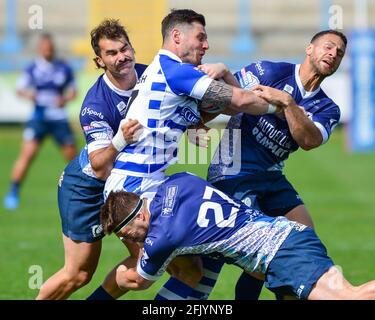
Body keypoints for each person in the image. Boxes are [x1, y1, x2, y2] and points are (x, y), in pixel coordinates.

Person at [89, 8, 289, 300]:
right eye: (201, 37)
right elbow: (242, 101)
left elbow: (228, 107)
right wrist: (283, 106)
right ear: (177, 36)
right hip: (133, 187)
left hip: (146, 182)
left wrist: (223, 74)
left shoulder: (165, 71)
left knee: (190, 271)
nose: (205, 45)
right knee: (155, 274)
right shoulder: (175, 72)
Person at [205, 29, 347, 299]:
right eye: (328, 47)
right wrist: (221, 75)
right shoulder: (269, 70)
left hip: (271, 176)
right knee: (255, 255)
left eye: (339, 53)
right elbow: (231, 98)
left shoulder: (328, 108)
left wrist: (287, 102)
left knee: (304, 242)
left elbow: (308, 140)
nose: (333, 54)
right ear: (309, 49)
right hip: (232, 172)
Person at [101, 172, 375, 300]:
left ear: (140, 216)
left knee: (349, 298)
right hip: (279, 247)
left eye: (129, 234)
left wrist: (115, 284)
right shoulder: (177, 181)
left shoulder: (162, 238)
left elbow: (139, 281)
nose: (134, 241)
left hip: (282, 251)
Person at [36, 19, 147, 300]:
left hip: (125, 184)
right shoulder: (95, 104)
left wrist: (198, 126)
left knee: (147, 260)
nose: (122, 57)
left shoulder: (152, 78)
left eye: (124, 48)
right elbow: (99, 164)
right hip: (86, 188)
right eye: (112, 53)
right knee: (78, 274)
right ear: (100, 61)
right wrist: (120, 139)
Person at [3, 34, 77, 210]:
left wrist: (65, 100)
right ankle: (13, 191)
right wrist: (30, 95)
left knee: (74, 159)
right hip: (38, 118)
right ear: (39, 49)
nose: (48, 50)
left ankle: (84, 191)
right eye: (45, 48)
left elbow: (73, 91)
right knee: (27, 155)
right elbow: (20, 90)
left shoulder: (63, 68)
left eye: (50, 48)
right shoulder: (32, 69)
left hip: (59, 119)